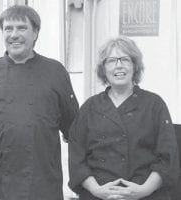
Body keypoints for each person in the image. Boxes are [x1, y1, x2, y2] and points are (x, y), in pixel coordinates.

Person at [0, 5, 79, 200]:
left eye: (21, 28)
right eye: (8, 29)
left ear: (35, 33)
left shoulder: (55, 72)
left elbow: (75, 129)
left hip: (42, 184)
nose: (14, 35)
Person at [68, 36, 180, 200]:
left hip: (147, 195)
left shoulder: (154, 105)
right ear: (103, 69)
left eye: (125, 59)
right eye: (111, 60)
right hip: (97, 195)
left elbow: (168, 157)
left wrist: (144, 190)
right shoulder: (90, 107)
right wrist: (98, 190)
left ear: (135, 66)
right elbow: (77, 157)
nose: (118, 65)